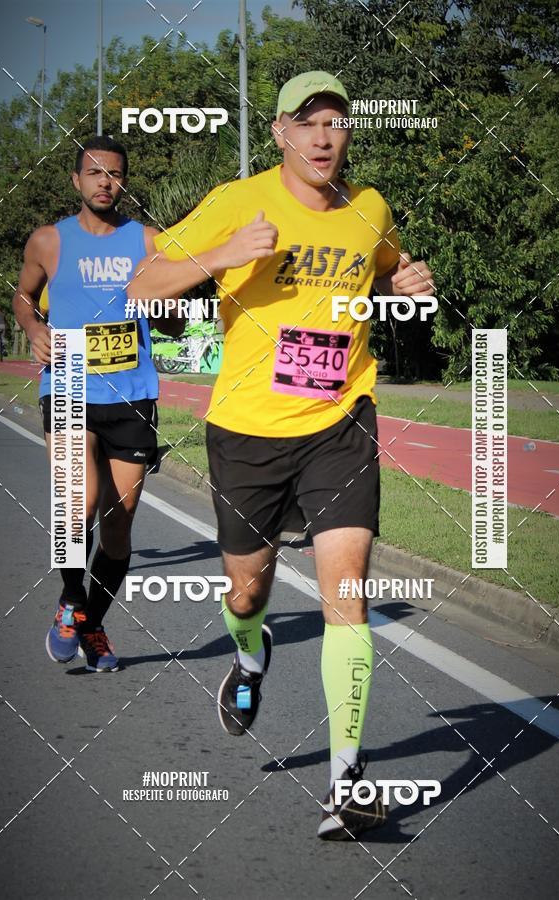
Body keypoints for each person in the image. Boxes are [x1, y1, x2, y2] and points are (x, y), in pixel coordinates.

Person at [129, 72, 434, 838]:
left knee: (348, 596)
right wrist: (226, 252)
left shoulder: (369, 209)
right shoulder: (238, 202)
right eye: (309, 123)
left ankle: (347, 779)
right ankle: (253, 652)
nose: (325, 136)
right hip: (249, 432)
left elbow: (385, 259)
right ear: (280, 133)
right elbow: (144, 286)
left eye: (336, 122)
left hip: (340, 422)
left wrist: (407, 278)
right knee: (246, 588)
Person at [13, 135, 183, 673]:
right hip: (66, 379)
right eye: (94, 173)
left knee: (118, 522)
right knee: (77, 502)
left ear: (123, 181)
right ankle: (71, 601)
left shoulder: (149, 241)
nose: (105, 182)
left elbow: (174, 321)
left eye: (114, 174)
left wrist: (169, 305)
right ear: (76, 181)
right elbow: (23, 296)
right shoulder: (48, 241)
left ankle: (92, 623)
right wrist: (33, 325)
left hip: (131, 393)